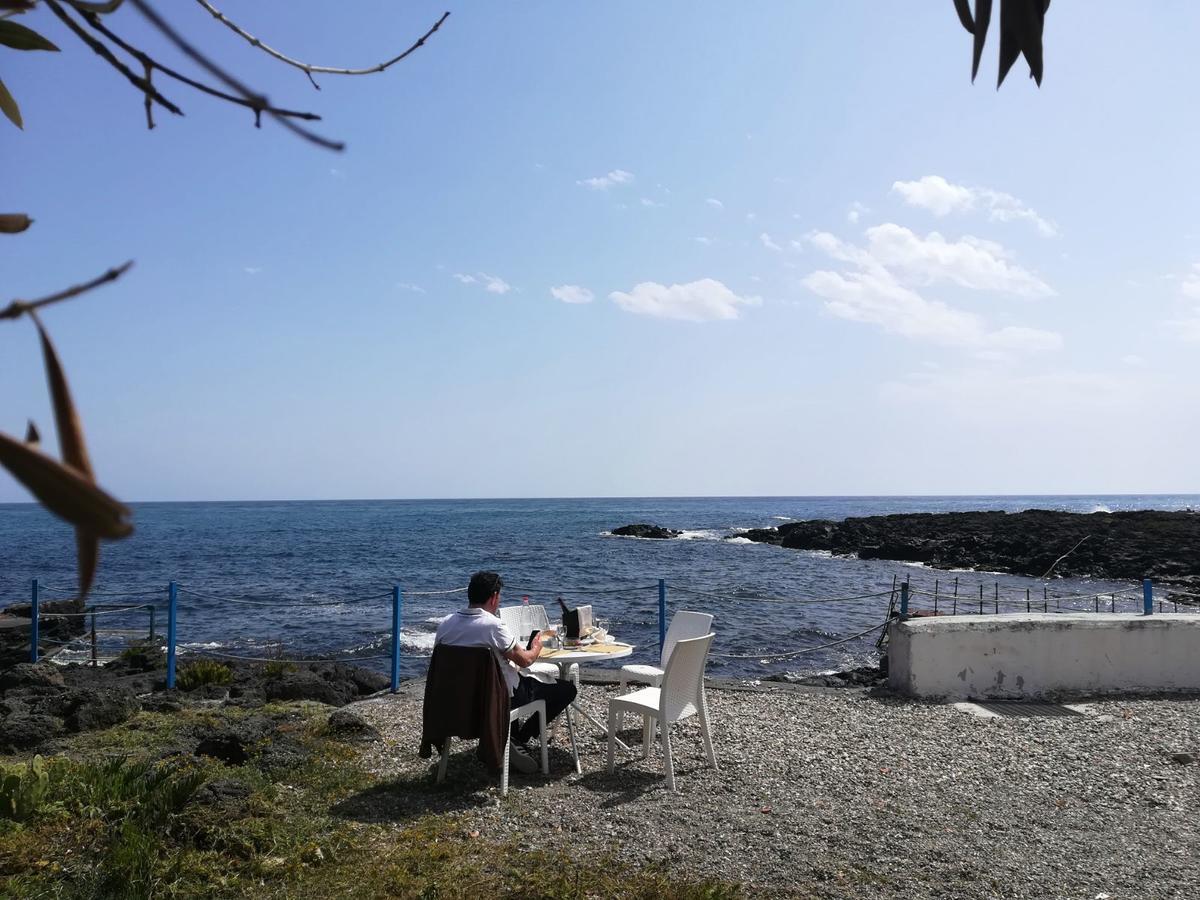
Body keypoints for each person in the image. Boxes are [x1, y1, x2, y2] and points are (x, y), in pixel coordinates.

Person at [434, 571, 577, 773]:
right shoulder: (493, 626)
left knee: (511, 676)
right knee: (566, 690)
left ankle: (508, 737)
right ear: (494, 597)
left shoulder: (446, 624)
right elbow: (526, 660)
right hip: (495, 700)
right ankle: (519, 737)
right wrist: (537, 646)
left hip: (458, 701)